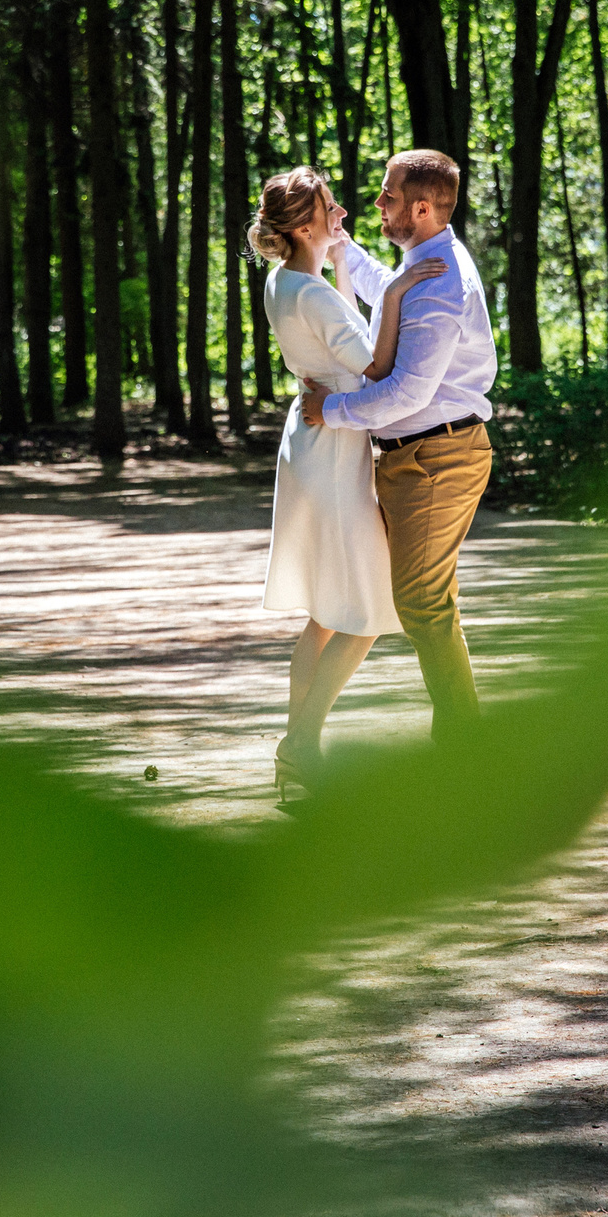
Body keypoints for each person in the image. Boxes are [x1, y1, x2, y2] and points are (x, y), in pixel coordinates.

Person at [254, 166, 447, 800]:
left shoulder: (284, 282)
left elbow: (343, 339)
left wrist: (341, 261)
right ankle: (300, 743)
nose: (342, 213)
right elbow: (377, 365)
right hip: (334, 448)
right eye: (330, 207)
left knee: (325, 615)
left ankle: (297, 751)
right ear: (305, 225)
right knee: (365, 610)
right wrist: (395, 291)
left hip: (312, 440)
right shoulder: (311, 295)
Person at [299, 148, 497, 748]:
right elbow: (388, 291)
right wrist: (343, 250)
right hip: (421, 454)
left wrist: (331, 411)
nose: (378, 202)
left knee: (420, 602)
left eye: (389, 195)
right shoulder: (424, 263)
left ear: (422, 208)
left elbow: (408, 392)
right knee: (429, 601)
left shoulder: (441, 283)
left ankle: (463, 748)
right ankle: (464, 738)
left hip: (438, 456)